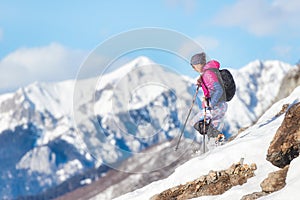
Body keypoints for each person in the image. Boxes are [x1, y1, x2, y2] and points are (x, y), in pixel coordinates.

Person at [190, 52, 228, 138]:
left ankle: (218, 136)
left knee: (194, 122)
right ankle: (218, 140)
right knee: (212, 128)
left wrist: (210, 103)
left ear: (199, 64)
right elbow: (212, 87)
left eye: (193, 66)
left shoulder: (208, 74)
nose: (193, 69)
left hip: (215, 106)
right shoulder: (209, 72)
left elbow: (219, 89)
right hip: (220, 105)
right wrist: (202, 82)